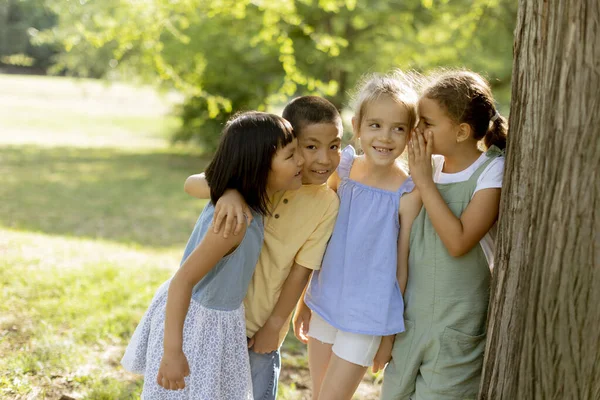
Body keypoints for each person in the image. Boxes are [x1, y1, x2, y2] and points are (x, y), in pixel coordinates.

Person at [121, 112, 304, 399]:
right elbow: (183, 281)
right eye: (291, 155)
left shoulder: (248, 204)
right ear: (258, 165)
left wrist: (228, 191)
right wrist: (172, 353)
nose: (301, 161)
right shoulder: (235, 222)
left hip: (219, 324)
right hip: (194, 327)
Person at [183, 96, 343, 400]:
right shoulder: (258, 179)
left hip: (261, 329)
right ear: (287, 144)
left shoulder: (326, 205)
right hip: (216, 319)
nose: (324, 159)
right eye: (311, 147)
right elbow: (192, 183)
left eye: (334, 146)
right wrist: (228, 191)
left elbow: (301, 270)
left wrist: (274, 325)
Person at [381, 70, 508, 400]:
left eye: (427, 122)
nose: (417, 130)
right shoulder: (430, 167)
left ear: (462, 131)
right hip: (411, 319)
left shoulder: (491, 170)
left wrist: (424, 181)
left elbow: (459, 241)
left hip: (457, 328)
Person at [298, 71, 423, 400]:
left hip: (367, 316)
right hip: (325, 301)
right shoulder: (342, 171)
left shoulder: (408, 192)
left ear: (411, 134)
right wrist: (305, 301)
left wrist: (388, 334)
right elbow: (319, 240)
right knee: (318, 395)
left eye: (398, 128)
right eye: (376, 125)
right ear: (358, 125)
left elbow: (401, 266)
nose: (386, 137)